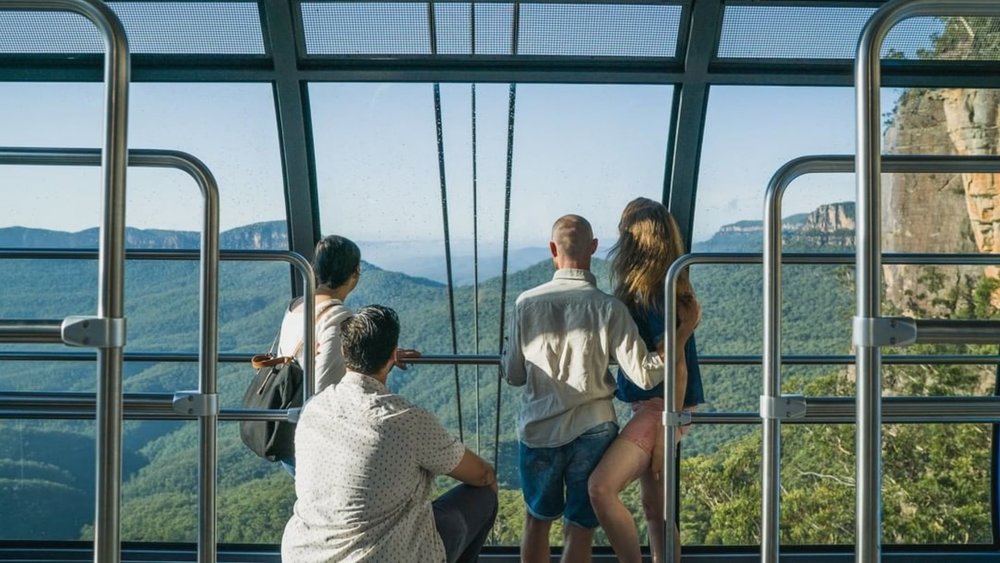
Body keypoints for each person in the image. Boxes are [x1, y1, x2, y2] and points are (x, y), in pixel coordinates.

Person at [501, 214, 665, 563]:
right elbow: (645, 376)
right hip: (594, 428)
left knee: (536, 521)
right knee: (580, 528)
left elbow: (514, 374)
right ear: (593, 248)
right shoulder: (610, 308)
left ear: (552, 250)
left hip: (539, 428)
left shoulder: (526, 304)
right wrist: (674, 343)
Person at [282, 305, 498, 563]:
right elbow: (482, 475)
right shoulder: (406, 420)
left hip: (304, 554)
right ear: (393, 356)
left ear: (343, 351)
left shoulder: (313, 409)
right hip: (383, 557)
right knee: (483, 495)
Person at [587, 198, 703, 563]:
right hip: (659, 408)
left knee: (601, 489)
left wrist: (665, 436)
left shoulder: (652, 296)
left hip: (660, 410)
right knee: (656, 512)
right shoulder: (662, 290)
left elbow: (677, 367)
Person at [276, 235, 418, 475]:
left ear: (314, 268)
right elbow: (324, 384)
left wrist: (381, 354)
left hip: (288, 424)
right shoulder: (338, 317)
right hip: (314, 438)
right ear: (355, 273)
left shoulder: (297, 306)